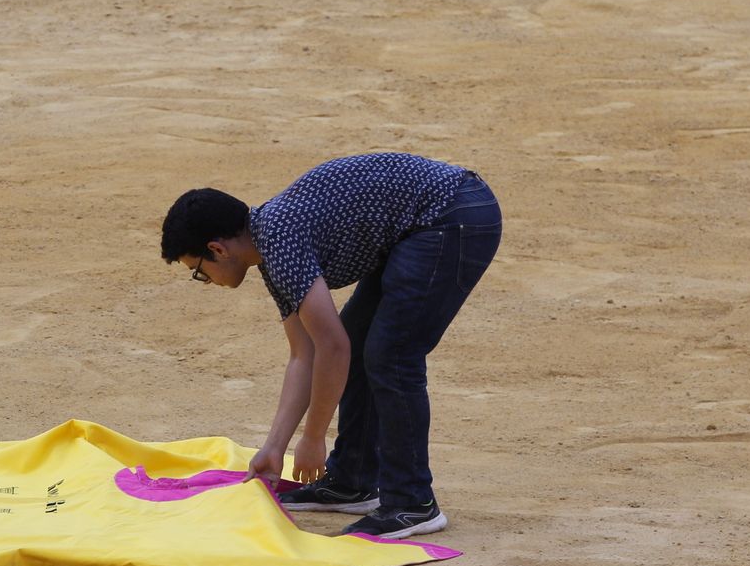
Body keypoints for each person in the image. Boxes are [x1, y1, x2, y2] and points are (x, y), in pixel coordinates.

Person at [159, 152, 501, 539]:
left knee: (391, 355)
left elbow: (332, 347)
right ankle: (352, 482)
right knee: (363, 344)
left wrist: (313, 437)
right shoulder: (271, 243)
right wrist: (275, 447)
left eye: (199, 272)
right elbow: (305, 355)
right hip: (425, 220)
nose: (207, 280)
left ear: (218, 249)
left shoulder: (279, 240)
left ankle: (412, 503)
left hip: (451, 215)